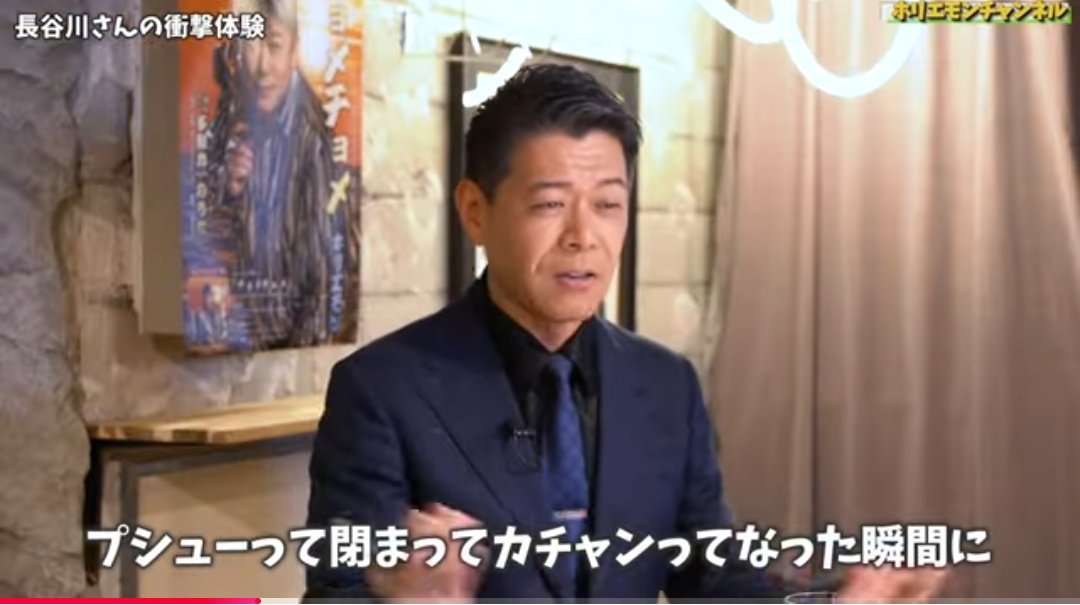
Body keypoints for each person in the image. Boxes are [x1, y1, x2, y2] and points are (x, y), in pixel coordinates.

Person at [304, 64, 946, 602]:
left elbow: (713, 580)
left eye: (608, 204)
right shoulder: (382, 390)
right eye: (550, 204)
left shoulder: (665, 384)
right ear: (476, 211)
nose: (584, 236)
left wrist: (835, 599)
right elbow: (337, 593)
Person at [209, 0, 348, 349]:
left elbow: (322, 266)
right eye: (251, 46)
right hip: (232, 329)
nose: (262, 67)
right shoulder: (230, 112)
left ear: (294, 52)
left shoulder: (311, 137)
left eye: (273, 46)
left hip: (286, 338)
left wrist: (304, 348)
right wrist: (230, 188)